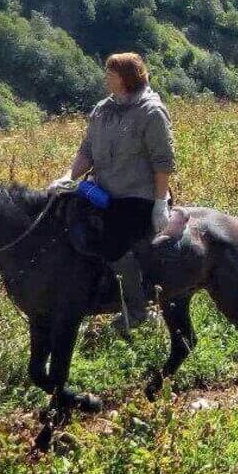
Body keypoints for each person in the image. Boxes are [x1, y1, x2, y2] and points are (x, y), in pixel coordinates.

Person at [50, 52, 175, 332]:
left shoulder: (151, 112)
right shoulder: (102, 109)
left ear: (127, 78)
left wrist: (159, 203)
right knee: (63, 222)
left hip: (137, 197)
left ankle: (137, 309)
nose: (106, 78)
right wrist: (69, 176)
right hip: (102, 192)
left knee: (112, 243)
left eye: (111, 73)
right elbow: (87, 151)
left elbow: (162, 161)